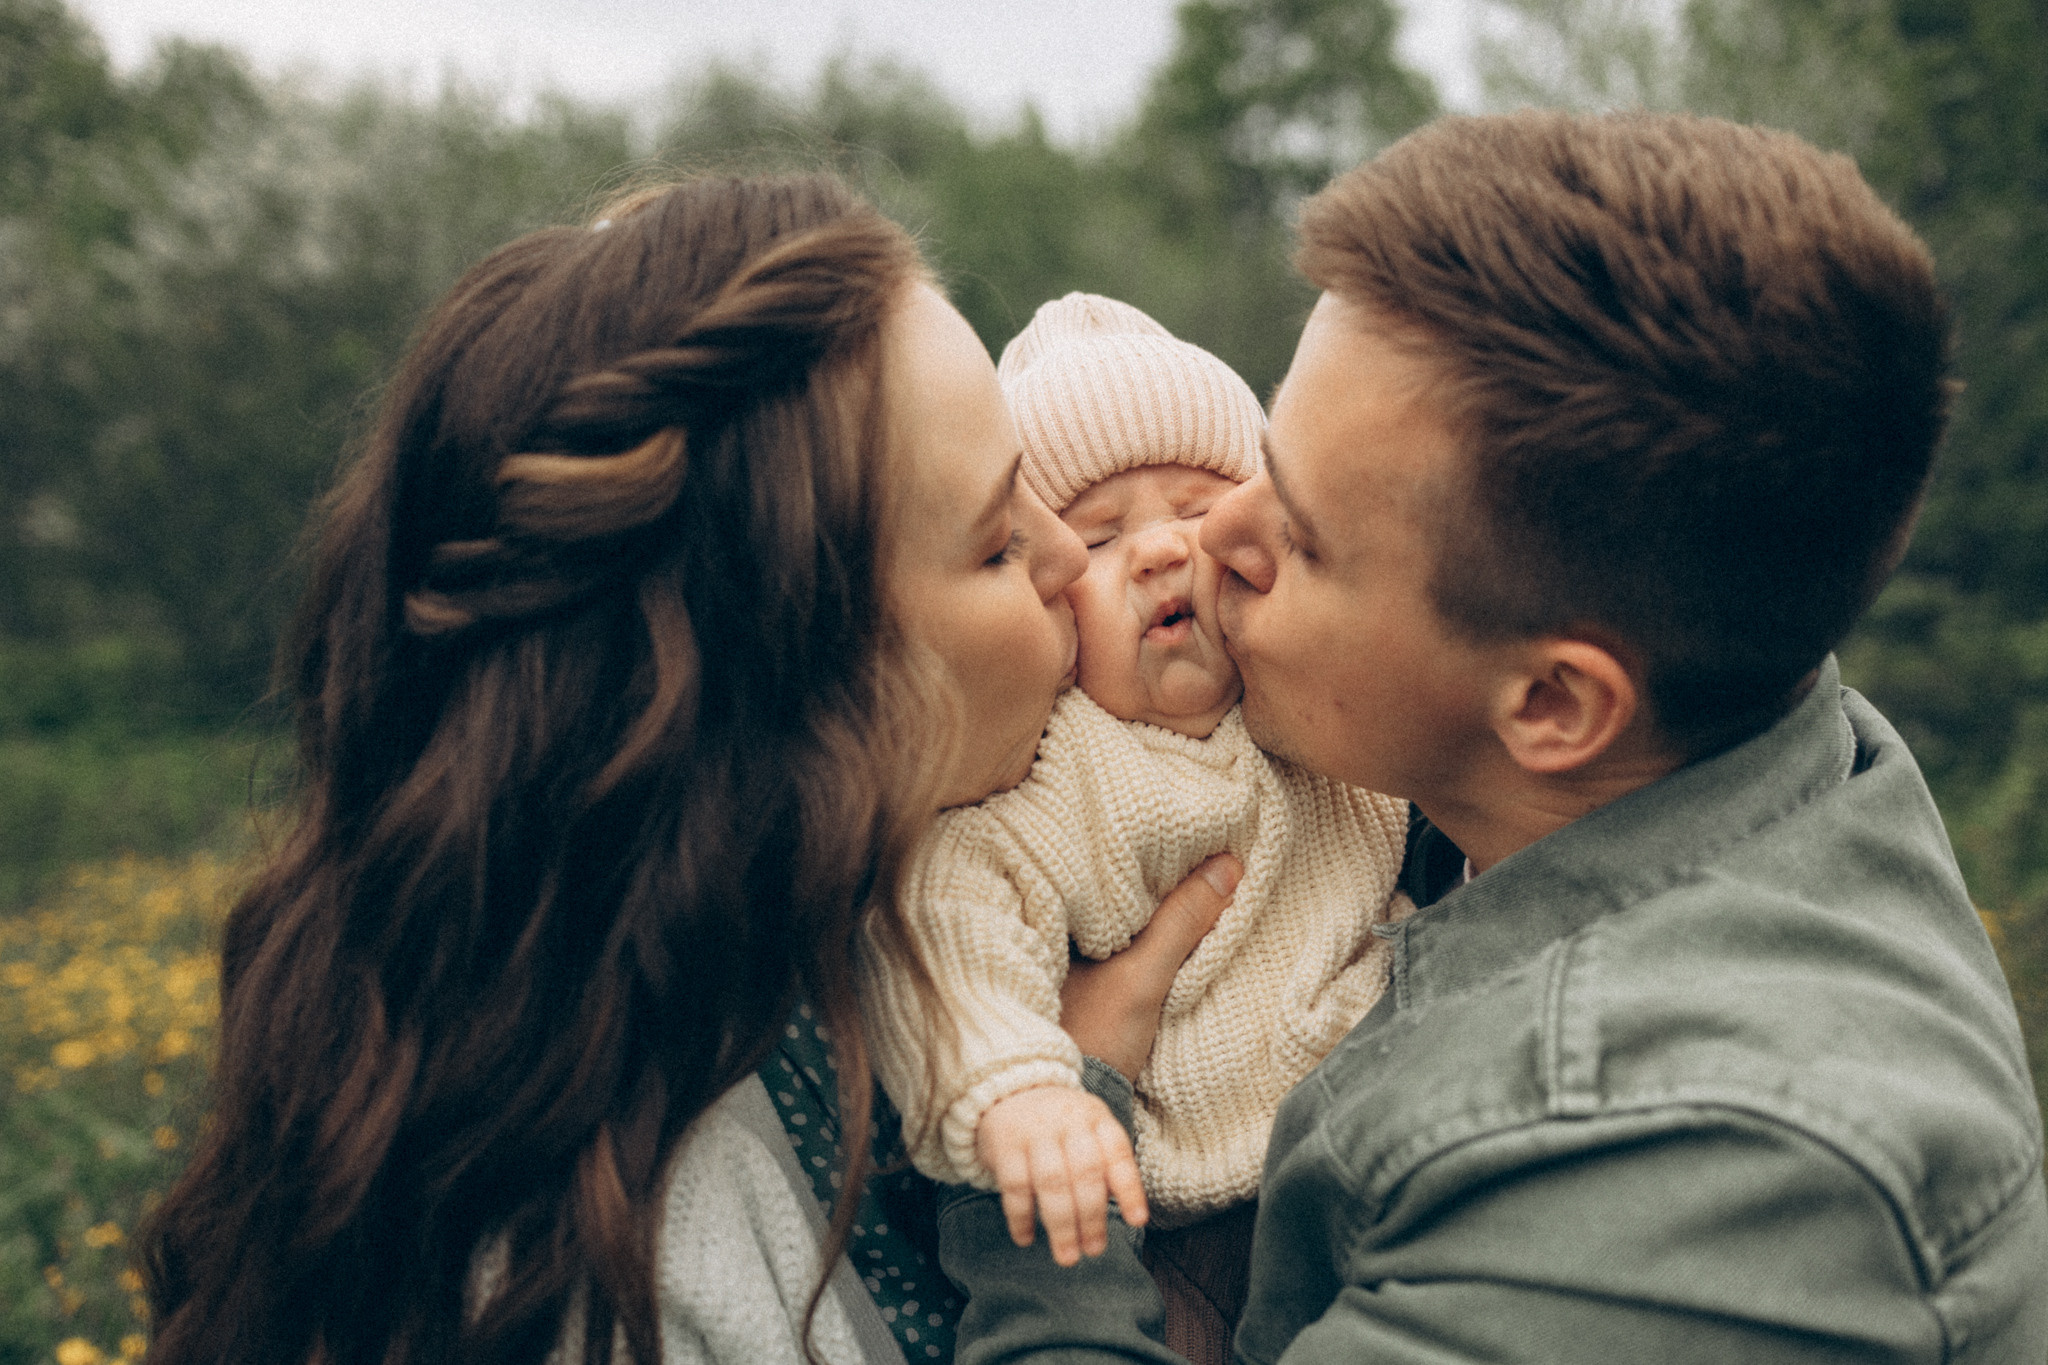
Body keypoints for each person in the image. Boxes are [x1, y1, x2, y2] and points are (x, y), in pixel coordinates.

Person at [937, 111, 2048, 1362]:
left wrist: (1040, 1165)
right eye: (1262, 460)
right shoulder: (1720, 696)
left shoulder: (1673, 1190)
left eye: (1300, 539)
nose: (1212, 543)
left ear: (1553, 708)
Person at [134, 171, 1237, 1365]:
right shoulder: (621, 1268)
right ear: (805, 687)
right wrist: (1062, 1122)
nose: (1073, 554)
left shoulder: (827, 958)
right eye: (991, 542)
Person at [856, 293, 1409, 1357]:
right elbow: (948, 919)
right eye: (1100, 538)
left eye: (1198, 510)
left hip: (1356, 1165)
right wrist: (1016, 1090)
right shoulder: (1066, 772)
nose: (1158, 550)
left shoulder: (1318, 718)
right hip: (1164, 1217)